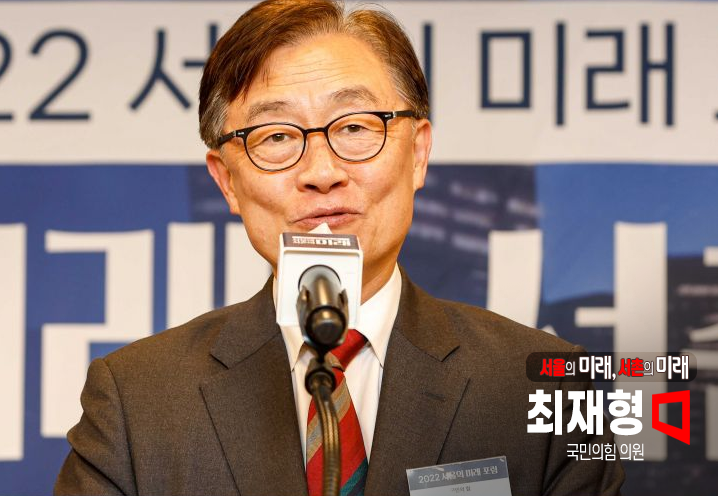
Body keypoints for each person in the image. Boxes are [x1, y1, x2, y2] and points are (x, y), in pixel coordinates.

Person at [54, 1, 625, 495]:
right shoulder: (137, 401)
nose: (322, 172)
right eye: (277, 136)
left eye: (354, 126)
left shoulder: (547, 386)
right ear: (227, 181)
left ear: (418, 153)